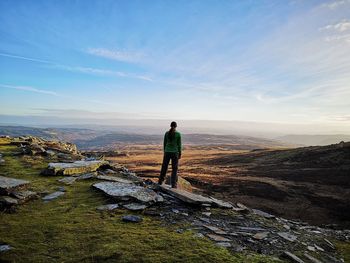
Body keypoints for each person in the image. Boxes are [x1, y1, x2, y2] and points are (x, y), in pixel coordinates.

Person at [158, 121, 182, 188]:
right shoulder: (178, 134)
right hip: (175, 153)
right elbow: (179, 145)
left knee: (164, 167)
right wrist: (180, 153)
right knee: (174, 169)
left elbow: (164, 143)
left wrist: (165, 151)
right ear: (176, 126)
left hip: (167, 152)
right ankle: (173, 184)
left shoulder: (166, 133)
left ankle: (160, 181)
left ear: (170, 126)